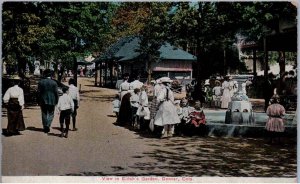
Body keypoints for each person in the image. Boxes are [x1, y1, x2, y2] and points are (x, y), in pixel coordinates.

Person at [38, 69, 59, 133]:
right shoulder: (54, 83)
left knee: (44, 113)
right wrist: (57, 100)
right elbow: (56, 93)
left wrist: (38, 100)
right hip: (52, 100)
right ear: (51, 75)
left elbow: (38, 92)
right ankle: (48, 125)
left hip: (43, 100)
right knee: (51, 113)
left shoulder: (41, 82)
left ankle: (45, 126)